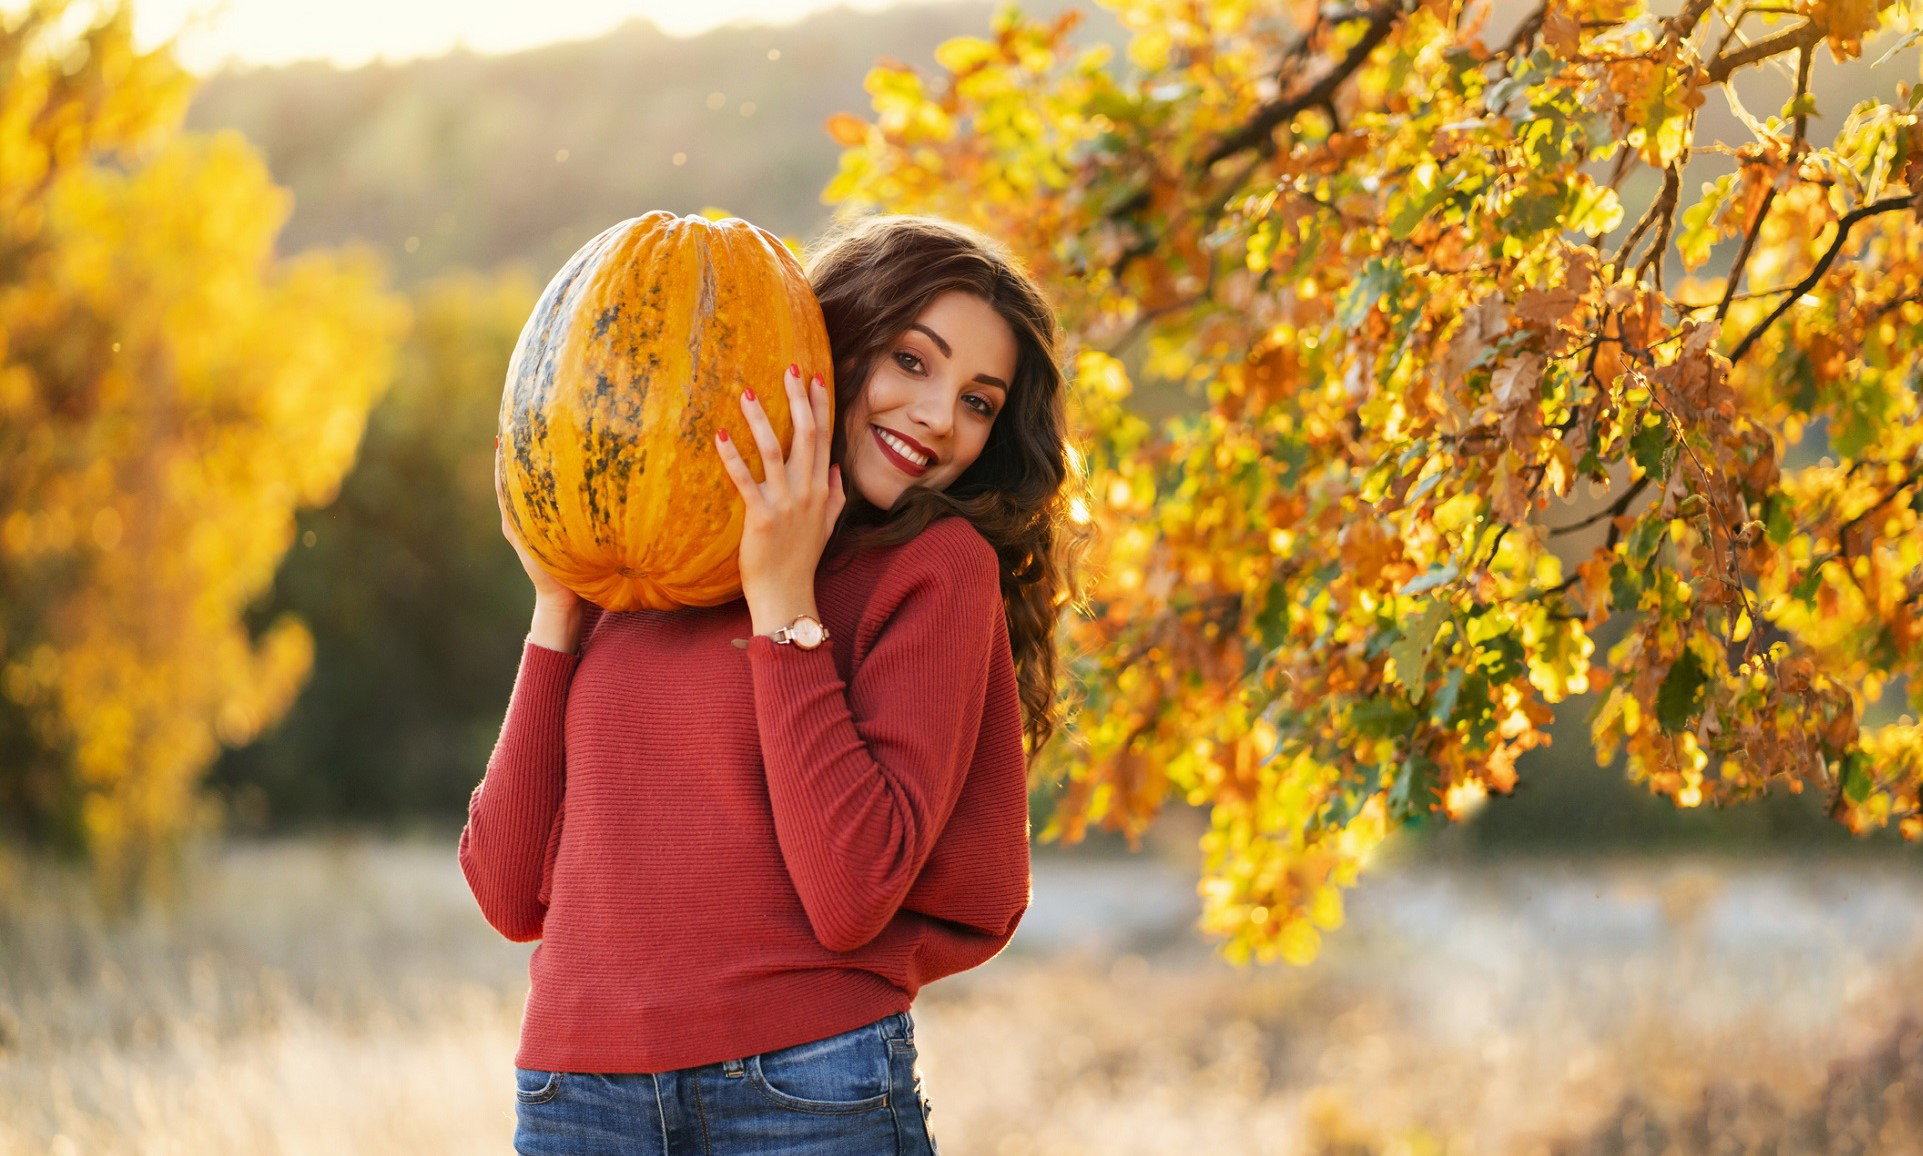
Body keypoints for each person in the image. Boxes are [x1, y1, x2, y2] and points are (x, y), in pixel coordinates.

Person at [461, 212, 1091, 1155]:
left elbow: (850, 895)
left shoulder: (935, 569)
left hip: (800, 1090)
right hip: (576, 1092)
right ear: (832, 343)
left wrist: (783, 599)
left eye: (977, 401)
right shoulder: (646, 543)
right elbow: (508, 894)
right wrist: (557, 605)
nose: (937, 416)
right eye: (911, 362)